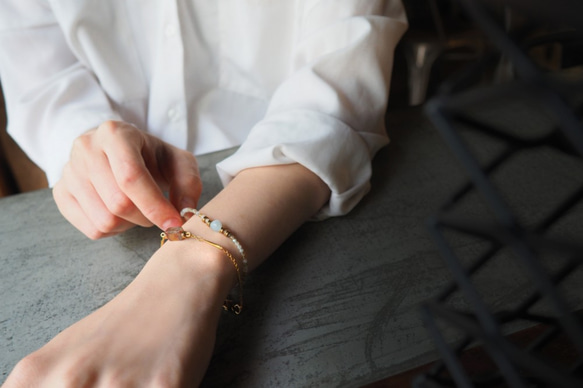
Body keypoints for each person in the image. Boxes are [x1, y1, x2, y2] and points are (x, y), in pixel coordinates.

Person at [0, 1, 407, 386]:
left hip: (282, 211)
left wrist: (185, 273)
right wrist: (84, 138)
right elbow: (41, 76)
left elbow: (334, 100)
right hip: (114, 231)